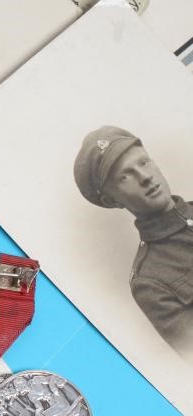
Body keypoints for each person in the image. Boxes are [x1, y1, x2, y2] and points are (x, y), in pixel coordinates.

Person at [73, 126, 193, 357]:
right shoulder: (149, 280)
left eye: (144, 162)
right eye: (126, 176)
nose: (145, 177)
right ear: (112, 200)